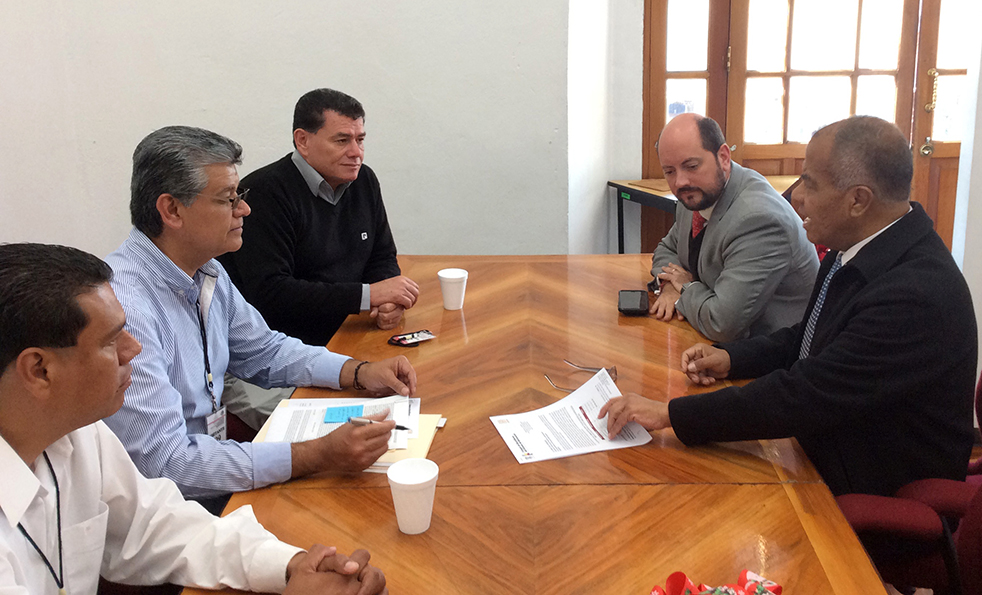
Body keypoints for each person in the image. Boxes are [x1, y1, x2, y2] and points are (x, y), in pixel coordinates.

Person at [601, 116, 978, 498]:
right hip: (822, 439)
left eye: (810, 183)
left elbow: (804, 396)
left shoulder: (913, 296)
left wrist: (668, 413)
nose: (796, 197)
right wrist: (733, 358)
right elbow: (810, 336)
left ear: (858, 200)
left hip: (864, 486)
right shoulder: (859, 246)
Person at [0, 243, 387, 595]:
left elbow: (157, 526)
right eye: (111, 340)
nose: (134, 349)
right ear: (39, 370)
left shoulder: (78, 434)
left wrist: (291, 566)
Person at [104, 126, 417, 510]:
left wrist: (358, 371)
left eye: (240, 196)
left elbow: (265, 351)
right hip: (170, 509)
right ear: (172, 210)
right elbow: (167, 463)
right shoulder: (126, 309)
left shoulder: (206, 271)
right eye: (228, 199)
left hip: (211, 473)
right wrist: (316, 454)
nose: (244, 210)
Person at [219, 88, 418, 347]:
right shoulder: (264, 193)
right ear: (302, 140)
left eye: (360, 140)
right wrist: (368, 296)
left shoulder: (364, 180)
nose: (356, 152)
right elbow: (271, 292)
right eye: (342, 140)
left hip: (352, 328)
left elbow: (381, 256)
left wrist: (388, 300)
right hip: (286, 346)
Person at [648, 113, 818, 342]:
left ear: (724, 157)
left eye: (692, 166)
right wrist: (670, 285)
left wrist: (685, 288)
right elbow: (667, 249)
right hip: (707, 337)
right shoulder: (697, 194)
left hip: (767, 353)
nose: (680, 182)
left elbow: (721, 324)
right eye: (669, 171)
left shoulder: (759, 219)